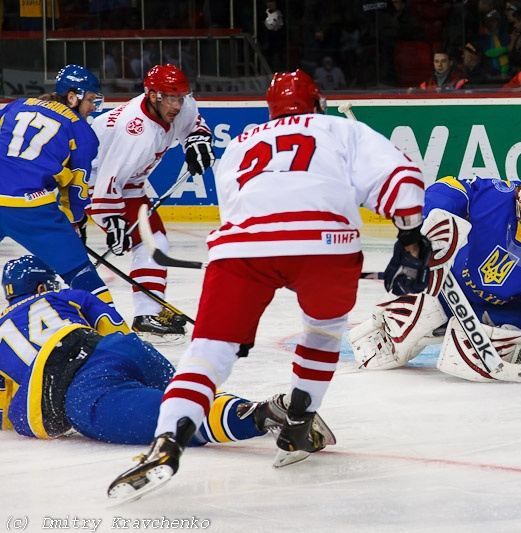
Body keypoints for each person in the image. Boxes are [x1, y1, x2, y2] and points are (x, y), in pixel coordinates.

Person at [107, 69, 427, 502]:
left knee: (209, 351)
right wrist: (409, 238)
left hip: (240, 250)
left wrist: (240, 315)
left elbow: (238, 210)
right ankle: (297, 425)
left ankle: (167, 441)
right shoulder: (341, 129)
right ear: (317, 103)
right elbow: (402, 185)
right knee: (322, 333)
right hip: (325, 246)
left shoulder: (242, 141)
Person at [0, 255, 317, 451]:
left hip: (82, 390)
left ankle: (257, 416)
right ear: (43, 287)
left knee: (168, 421)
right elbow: (117, 330)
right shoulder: (70, 295)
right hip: (121, 349)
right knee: (181, 394)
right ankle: (240, 407)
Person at [349, 175, 521, 385]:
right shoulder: (497, 197)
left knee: (479, 346)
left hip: (512, 307)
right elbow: (452, 188)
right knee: (411, 320)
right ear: (518, 203)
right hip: (459, 286)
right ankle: (392, 323)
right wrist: (434, 217)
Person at [89, 64, 215, 338]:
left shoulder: (179, 104)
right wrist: (113, 223)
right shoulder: (136, 133)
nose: (177, 104)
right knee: (72, 254)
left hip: (129, 184)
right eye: (171, 98)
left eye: (180, 97)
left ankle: (147, 313)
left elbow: (194, 122)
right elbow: (105, 183)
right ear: (152, 95)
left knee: (155, 241)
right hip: (87, 183)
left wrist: (197, 140)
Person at [0, 64, 113, 305]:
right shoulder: (82, 132)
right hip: (28, 208)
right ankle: (116, 335)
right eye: (91, 99)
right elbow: (77, 189)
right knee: (81, 273)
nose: (93, 107)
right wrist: (75, 221)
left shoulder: (16, 106)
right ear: (73, 97)